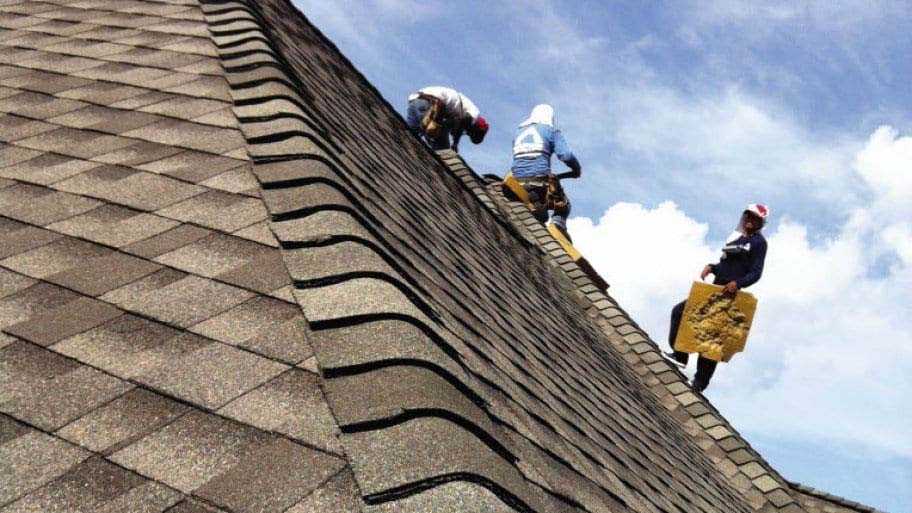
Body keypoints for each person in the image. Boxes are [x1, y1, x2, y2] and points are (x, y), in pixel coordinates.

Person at [667, 203, 770, 392]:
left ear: (760, 223)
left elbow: (756, 273)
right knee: (680, 312)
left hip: (731, 297)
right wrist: (712, 267)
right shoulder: (736, 239)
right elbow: (726, 265)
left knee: (713, 339)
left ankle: (699, 383)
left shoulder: (759, 243)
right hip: (714, 290)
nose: (750, 220)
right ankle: (680, 356)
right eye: (748, 216)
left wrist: (738, 283)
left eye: (755, 218)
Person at [508, 104, 581, 241]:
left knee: (542, 215)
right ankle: (558, 226)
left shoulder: (518, 132)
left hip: (516, 182)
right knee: (564, 206)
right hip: (539, 183)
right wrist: (576, 169)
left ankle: (537, 206)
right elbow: (566, 156)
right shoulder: (551, 131)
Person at [405, 86, 489, 151]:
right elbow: (464, 121)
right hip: (428, 105)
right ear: (475, 128)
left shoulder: (458, 110)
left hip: (415, 102)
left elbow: (452, 124)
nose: (466, 132)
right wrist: (455, 144)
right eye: (469, 133)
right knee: (443, 150)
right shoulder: (474, 113)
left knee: (407, 137)